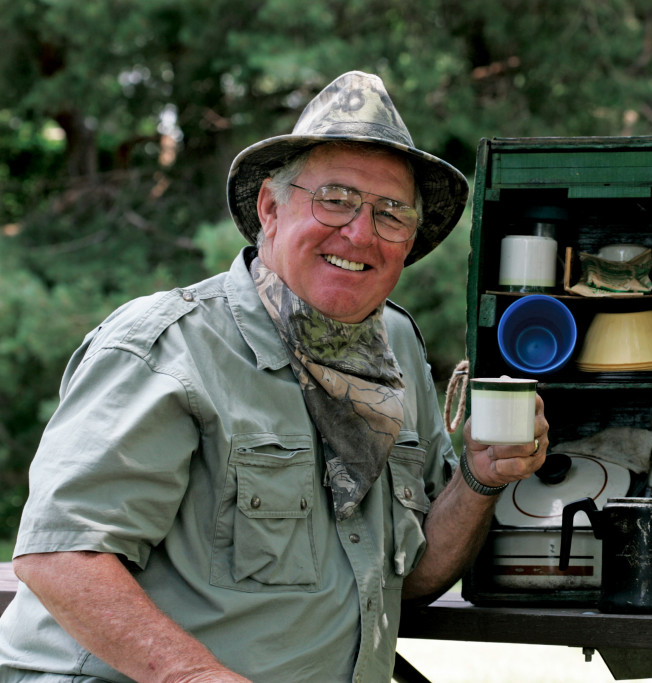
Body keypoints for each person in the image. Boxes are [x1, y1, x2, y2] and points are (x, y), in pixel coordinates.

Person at [0, 71, 549, 683]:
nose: (361, 232)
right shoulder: (166, 346)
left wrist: (480, 476)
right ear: (270, 208)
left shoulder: (393, 347)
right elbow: (61, 557)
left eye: (391, 213)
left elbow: (406, 578)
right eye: (335, 199)